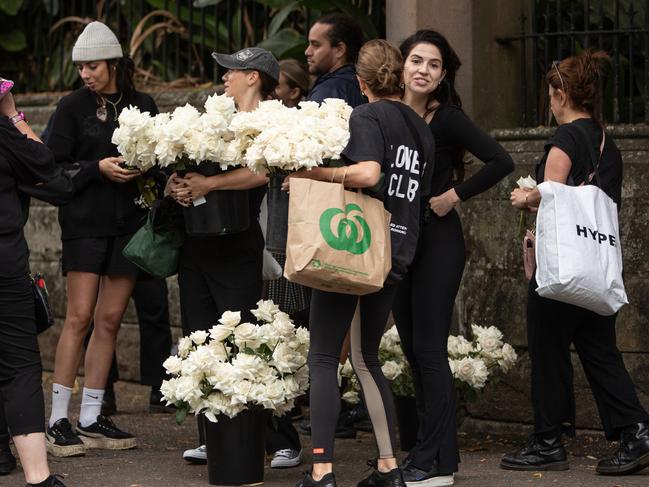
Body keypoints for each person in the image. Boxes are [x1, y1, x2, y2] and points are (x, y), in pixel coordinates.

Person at [285, 39, 435, 487]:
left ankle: (321, 470)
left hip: (352, 250)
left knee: (324, 357)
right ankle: (390, 467)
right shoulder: (422, 129)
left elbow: (369, 174)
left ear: (360, 82)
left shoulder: (366, 115)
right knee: (366, 357)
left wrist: (310, 174)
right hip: (394, 252)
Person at [502, 50, 649, 476]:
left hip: (563, 266)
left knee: (548, 350)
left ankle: (548, 440)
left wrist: (524, 198)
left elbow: (553, 197)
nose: (550, 101)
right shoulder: (607, 143)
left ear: (562, 93)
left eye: (552, 92)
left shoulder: (564, 140)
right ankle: (637, 430)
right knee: (600, 349)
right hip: (597, 266)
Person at [394, 29, 514, 486]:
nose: (423, 70)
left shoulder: (447, 119)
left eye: (433, 65)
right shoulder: (385, 113)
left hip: (439, 240)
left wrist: (453, 197)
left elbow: (501, 161)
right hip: (398, 240)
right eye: (416, 61)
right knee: (410, 348)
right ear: (402, 64)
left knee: (428, 348)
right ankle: (434, 453)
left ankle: (433, 461)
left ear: (443, 75)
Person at [45, 21, 159, 456]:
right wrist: (98, 169)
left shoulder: (143, 103)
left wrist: (146, 168)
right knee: (79, 317)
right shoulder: (71, 106)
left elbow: (158, 157)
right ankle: (58, 419)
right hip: (85, 224)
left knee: (110, 319)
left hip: (129, 225)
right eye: (80, 68)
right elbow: (53, 169)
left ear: (113, 63)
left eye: (92, 66)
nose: (86, 74)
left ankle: (91, 415)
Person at [166, 46, 278, 465]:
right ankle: (210, 433)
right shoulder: (211, 115)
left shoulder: (270, 119)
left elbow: (265, 170)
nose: (225, 76)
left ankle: (261, 436)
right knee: (198, 337)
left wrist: (211, 186)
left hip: (237, 242)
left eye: (234, 70)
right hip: (197, 241)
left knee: (239, 337)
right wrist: (175, 185)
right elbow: (182, 163)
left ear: (254, 77)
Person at [0, 88, 72, 486]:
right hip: (5, 263)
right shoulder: (5, 133)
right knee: (20, 366)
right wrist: (12, 115)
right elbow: (45, 163)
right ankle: (38, 477)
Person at [262, 58, 311, 470]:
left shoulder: (301, 130)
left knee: (281, 341)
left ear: (293, 92)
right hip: (259, 242)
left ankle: (285, 434)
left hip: (283, 246)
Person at [305, 13, 365, 107]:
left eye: (316, 45)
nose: (307, 52)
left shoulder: (329, 91)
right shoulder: (365, 84)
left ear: (339, 50)